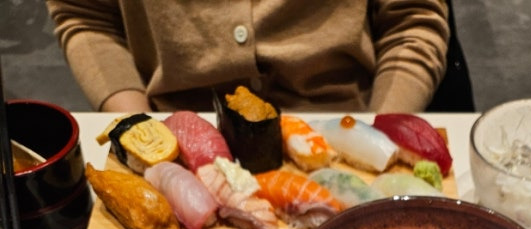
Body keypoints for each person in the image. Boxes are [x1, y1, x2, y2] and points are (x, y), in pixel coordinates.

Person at [44, 0, 450, 114]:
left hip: (348, 119)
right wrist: (141, 133)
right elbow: (87, 17)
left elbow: (411, 21)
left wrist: (380, 136)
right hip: (175, 127)